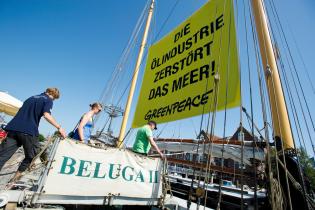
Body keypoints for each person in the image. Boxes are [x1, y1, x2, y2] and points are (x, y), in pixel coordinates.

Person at [0, 88, 67, 181]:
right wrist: (59, 127)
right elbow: (47, 115)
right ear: (53, 95)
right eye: (55, 98)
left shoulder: (30, 98)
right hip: (29, 131)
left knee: (2, 156)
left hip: (13, 128)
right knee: (32, 155)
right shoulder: (48, 100)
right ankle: (13, 181)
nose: (53, 100)